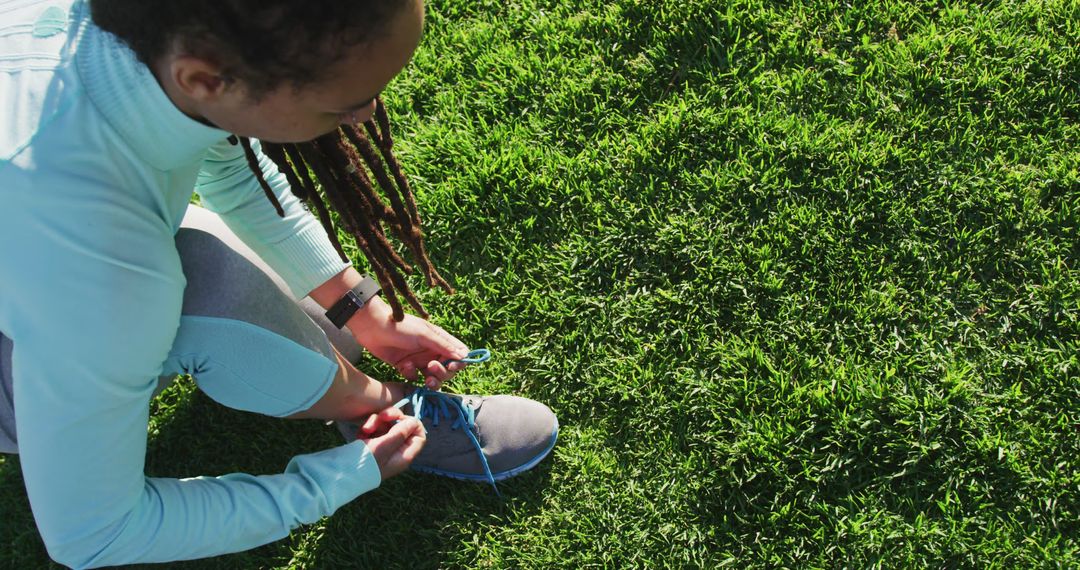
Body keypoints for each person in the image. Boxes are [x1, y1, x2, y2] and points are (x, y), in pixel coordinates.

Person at [0, 0, 558, 567]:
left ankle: (329, 372)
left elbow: (230, 157)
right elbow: (94, 533)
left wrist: (360, 309)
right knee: (198, 285)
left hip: (50, 275)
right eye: (343, 102)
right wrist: (332, 482)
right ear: (206, 77)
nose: (366, 115)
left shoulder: (148, 42)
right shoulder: (97, 260)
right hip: (46, 322)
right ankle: (384, 410)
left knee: (211, 287)